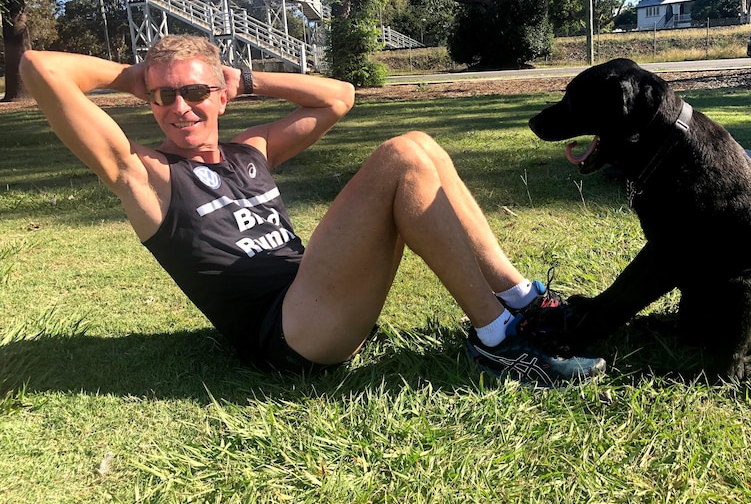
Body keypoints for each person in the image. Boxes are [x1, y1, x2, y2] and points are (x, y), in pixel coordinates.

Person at [19, 35, 605, 387]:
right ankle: (498, 338)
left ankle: (522, 300)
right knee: (402, 155)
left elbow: (338, 97)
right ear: (148, 101)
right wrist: (143, 75)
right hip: (290, 333)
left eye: (196, 92)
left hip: (319, 295)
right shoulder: (144, 176)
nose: (181, 107)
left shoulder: (250, 150)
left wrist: (239, 78)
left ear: (220, 95)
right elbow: (40, 69)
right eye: (164, 96)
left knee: (421, 146)